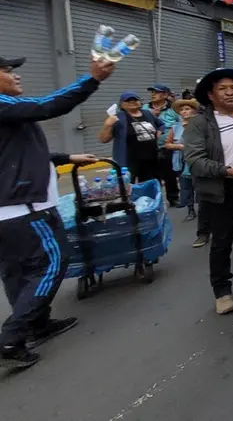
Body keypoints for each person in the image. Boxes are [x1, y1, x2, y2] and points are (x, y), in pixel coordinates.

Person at [0, 54, 114, 368]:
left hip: (9, 212)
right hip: (26, 209)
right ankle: (11, 338)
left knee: (18, 272)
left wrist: (65, 156)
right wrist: (92, 79)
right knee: (52, 262)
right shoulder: (2, 104)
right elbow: (49, 105)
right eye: (8, 71)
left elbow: (17, 153)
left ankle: (36, 324)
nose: (17, 76)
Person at [183, 68, 233, 315]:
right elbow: (194, 159)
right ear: (210, 95)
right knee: (222, 242)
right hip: (221, 189)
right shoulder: (199, 123)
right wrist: (224, 170)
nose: (230, 92)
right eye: (223, 88)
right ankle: (222, 292)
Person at [99, 91, 164, 183]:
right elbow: (103, 139)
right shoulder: (117, 117)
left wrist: (159, 132)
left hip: (150, 158)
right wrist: (107, 125)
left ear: (140, 102)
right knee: (127, 187)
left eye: (135, 99)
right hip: (128, 161)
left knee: (150, 186)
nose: (132, 102)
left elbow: (161, 124)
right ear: (121, 104)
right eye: (128, 100)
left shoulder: (147, 113)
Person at [164, 99, 200, 222]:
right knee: (186, 187)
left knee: (200, 186)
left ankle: (204, 209)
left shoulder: (200, 125)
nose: (184, 112)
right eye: (182, 110)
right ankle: (190, 210)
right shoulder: (175, 127)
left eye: (187, 109)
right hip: (181, 161)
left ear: (194, 111)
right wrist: (178, 147)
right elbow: (167, 144)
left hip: (198, 160)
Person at [145, 84, 180, 207]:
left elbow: (181, 123)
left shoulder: (173, 109)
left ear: (165, 95)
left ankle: (173, 197)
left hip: (167, 147)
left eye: (157, 92)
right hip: (148, 147)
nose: (153, 94)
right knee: (152, 175)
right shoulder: (144, 108)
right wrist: (152, 115)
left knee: (169, 174)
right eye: (152, 92)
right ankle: (156, 201)